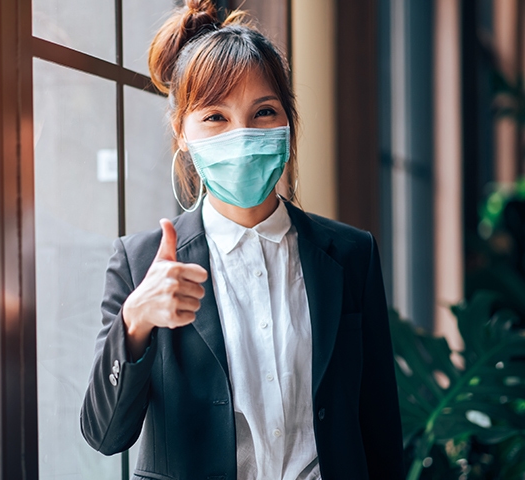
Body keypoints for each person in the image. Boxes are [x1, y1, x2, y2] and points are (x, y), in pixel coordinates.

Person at [80, 1, 404, 478]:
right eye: (215, 117)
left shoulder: (351, 254)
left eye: (264, 112)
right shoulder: (142, 262)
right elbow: (104, 435)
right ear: (182, 133)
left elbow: (379, 428)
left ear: (288, 124)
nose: (243, 135)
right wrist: (136, 320)